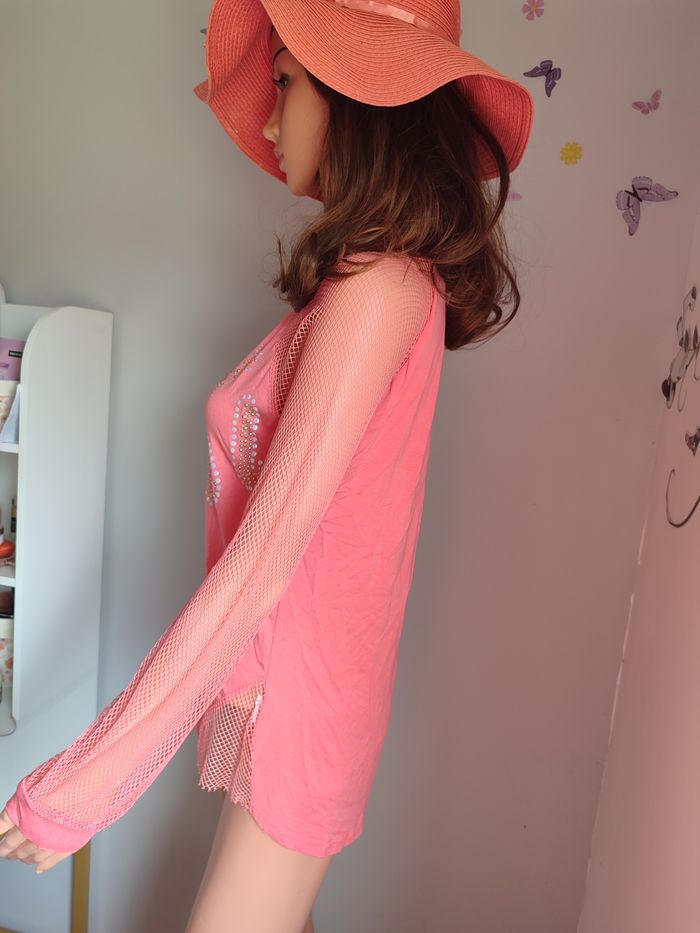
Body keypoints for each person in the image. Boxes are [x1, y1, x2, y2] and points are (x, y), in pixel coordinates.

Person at [0, 2, 534, 931]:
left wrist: (89, 779)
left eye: (285, 83)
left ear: (356, 98)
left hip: (298, 700)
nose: (270, 119)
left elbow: (261, 565)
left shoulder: (377, 292)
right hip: (291, 690)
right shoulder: (371, 286)